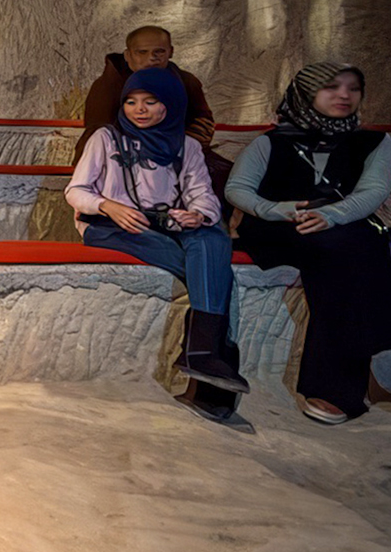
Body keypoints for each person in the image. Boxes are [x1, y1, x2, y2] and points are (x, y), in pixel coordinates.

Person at [65, 66, 250, 419]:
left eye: (151, 101)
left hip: (166, 223)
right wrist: (107, 205)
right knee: (210, 272)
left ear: (172, 105)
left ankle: (201, 354)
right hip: (111, 223)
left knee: (212, 238)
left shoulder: (187, 145)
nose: (140, 109)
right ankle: (206, 363)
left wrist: (198, 215)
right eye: (132, 101)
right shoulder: (105, 138)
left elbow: (204, 195)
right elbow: (76, 191)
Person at [226, 62, 391, 424]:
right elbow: (237, 188)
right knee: (346, 250)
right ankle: (373, 354)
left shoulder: (375, 141)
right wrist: (275, 209)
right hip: (279, 226)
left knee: (360, 244)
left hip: (342, 226)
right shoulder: (270, 141)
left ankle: (344, 382)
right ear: (307, 93)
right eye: (331, 87)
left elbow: (374, 191)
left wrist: (332, 215)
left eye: (353, 88)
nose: (344, 96)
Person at [74, 26, 234, 207]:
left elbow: (202, 121)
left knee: (229, 179)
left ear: (171, 52)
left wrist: (177, 148)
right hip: (121, 154)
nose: (151, 58)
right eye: (142, 52)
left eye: (159, 51)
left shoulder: (185, 81)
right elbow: (99, 130)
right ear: (128, 55)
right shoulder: (108, 86)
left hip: (176, 149)